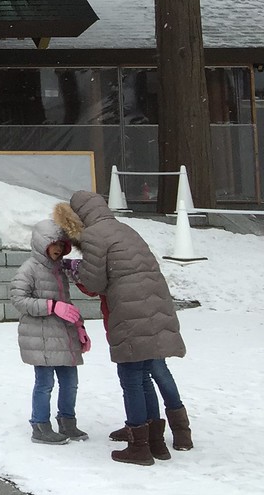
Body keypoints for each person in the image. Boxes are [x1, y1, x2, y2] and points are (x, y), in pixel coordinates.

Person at [58, 192, 189, 465]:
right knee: (144, 375)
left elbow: (93, 283)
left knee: (131, 377)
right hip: (154, 306)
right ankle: (156, 442)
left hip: (130, 312)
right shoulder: (125, 229)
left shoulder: (94, 235)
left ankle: (139, 447)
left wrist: (74, 270)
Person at [9, 217, 90, 445]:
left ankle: (67, 421)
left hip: (63, 336)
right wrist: (51, 306)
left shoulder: (59, 270)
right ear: (41, 243)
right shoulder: (29, 269)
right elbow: (18, 298)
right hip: (40, 336)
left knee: (70, 382)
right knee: (45, 383)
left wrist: (79, 328)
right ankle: (40, 425)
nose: (58, 249)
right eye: (53, 244)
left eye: (61, 245)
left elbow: (67, 302)